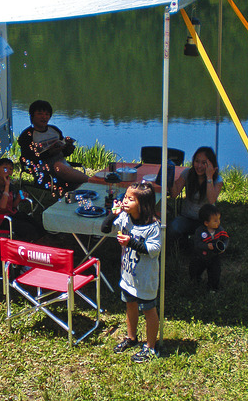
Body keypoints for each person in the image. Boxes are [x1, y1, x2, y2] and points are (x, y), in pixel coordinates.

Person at [101, 182, 162, 363]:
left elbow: (154, 249)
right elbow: (105, 229)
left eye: (130, 199)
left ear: (143, 205)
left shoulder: (153, 226)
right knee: (130, 305)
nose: (125, 201)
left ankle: (151, 348)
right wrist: (114, 213)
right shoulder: (125, 218)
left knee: (149, 310)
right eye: (125, 197)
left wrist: (131, 243)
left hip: (145, 280)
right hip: (128, 276)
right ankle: (132, 337)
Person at [18, 100, 88, 188]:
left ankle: (91, 183)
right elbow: (27, 159)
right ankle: (93, 181)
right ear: (32, 116)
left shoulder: (54, 130)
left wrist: (68, 147)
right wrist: (49, 152)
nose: (44, 117)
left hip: (64, 168)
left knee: (62, 169)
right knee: (58, 166)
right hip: (43, 173)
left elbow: (64, 153)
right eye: (40, 114)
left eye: (47, 114)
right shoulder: (27, 136)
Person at [168, 146, 223, 244]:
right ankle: (183, 244)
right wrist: (170, 177)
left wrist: (209, 177)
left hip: (205, 220)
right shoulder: (187, 173)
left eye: (204, 163)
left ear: (210, 164)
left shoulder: (217, 180)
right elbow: (174, 194)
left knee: (213, 239)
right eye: (197, 161)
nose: (199, 166)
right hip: (187, 217)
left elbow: (211, 200)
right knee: (172, 229)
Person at [0, 158, 45, 242]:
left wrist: (18, 199)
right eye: (5, 168)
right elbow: (2, 206)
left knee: (35, 224)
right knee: (27, 228)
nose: (8, 171)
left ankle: (42, 242)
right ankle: (26, 248)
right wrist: (6, 186)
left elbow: (12, 206)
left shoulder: (11, 186)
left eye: (11, 169)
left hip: (9, 214)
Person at [189, 203, 229, 291]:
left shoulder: (220, 230)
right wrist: (206, 246)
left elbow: (225, 239)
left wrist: (224, 247)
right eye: (215, 220)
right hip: (200, 256)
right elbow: (197, 243)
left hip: (214, 256)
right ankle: (195, 281)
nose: (218, 222)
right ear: (206, 223)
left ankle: (213, 288)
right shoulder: (200, 231)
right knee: (195, 270)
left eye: (219, 219)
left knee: (215, 273)